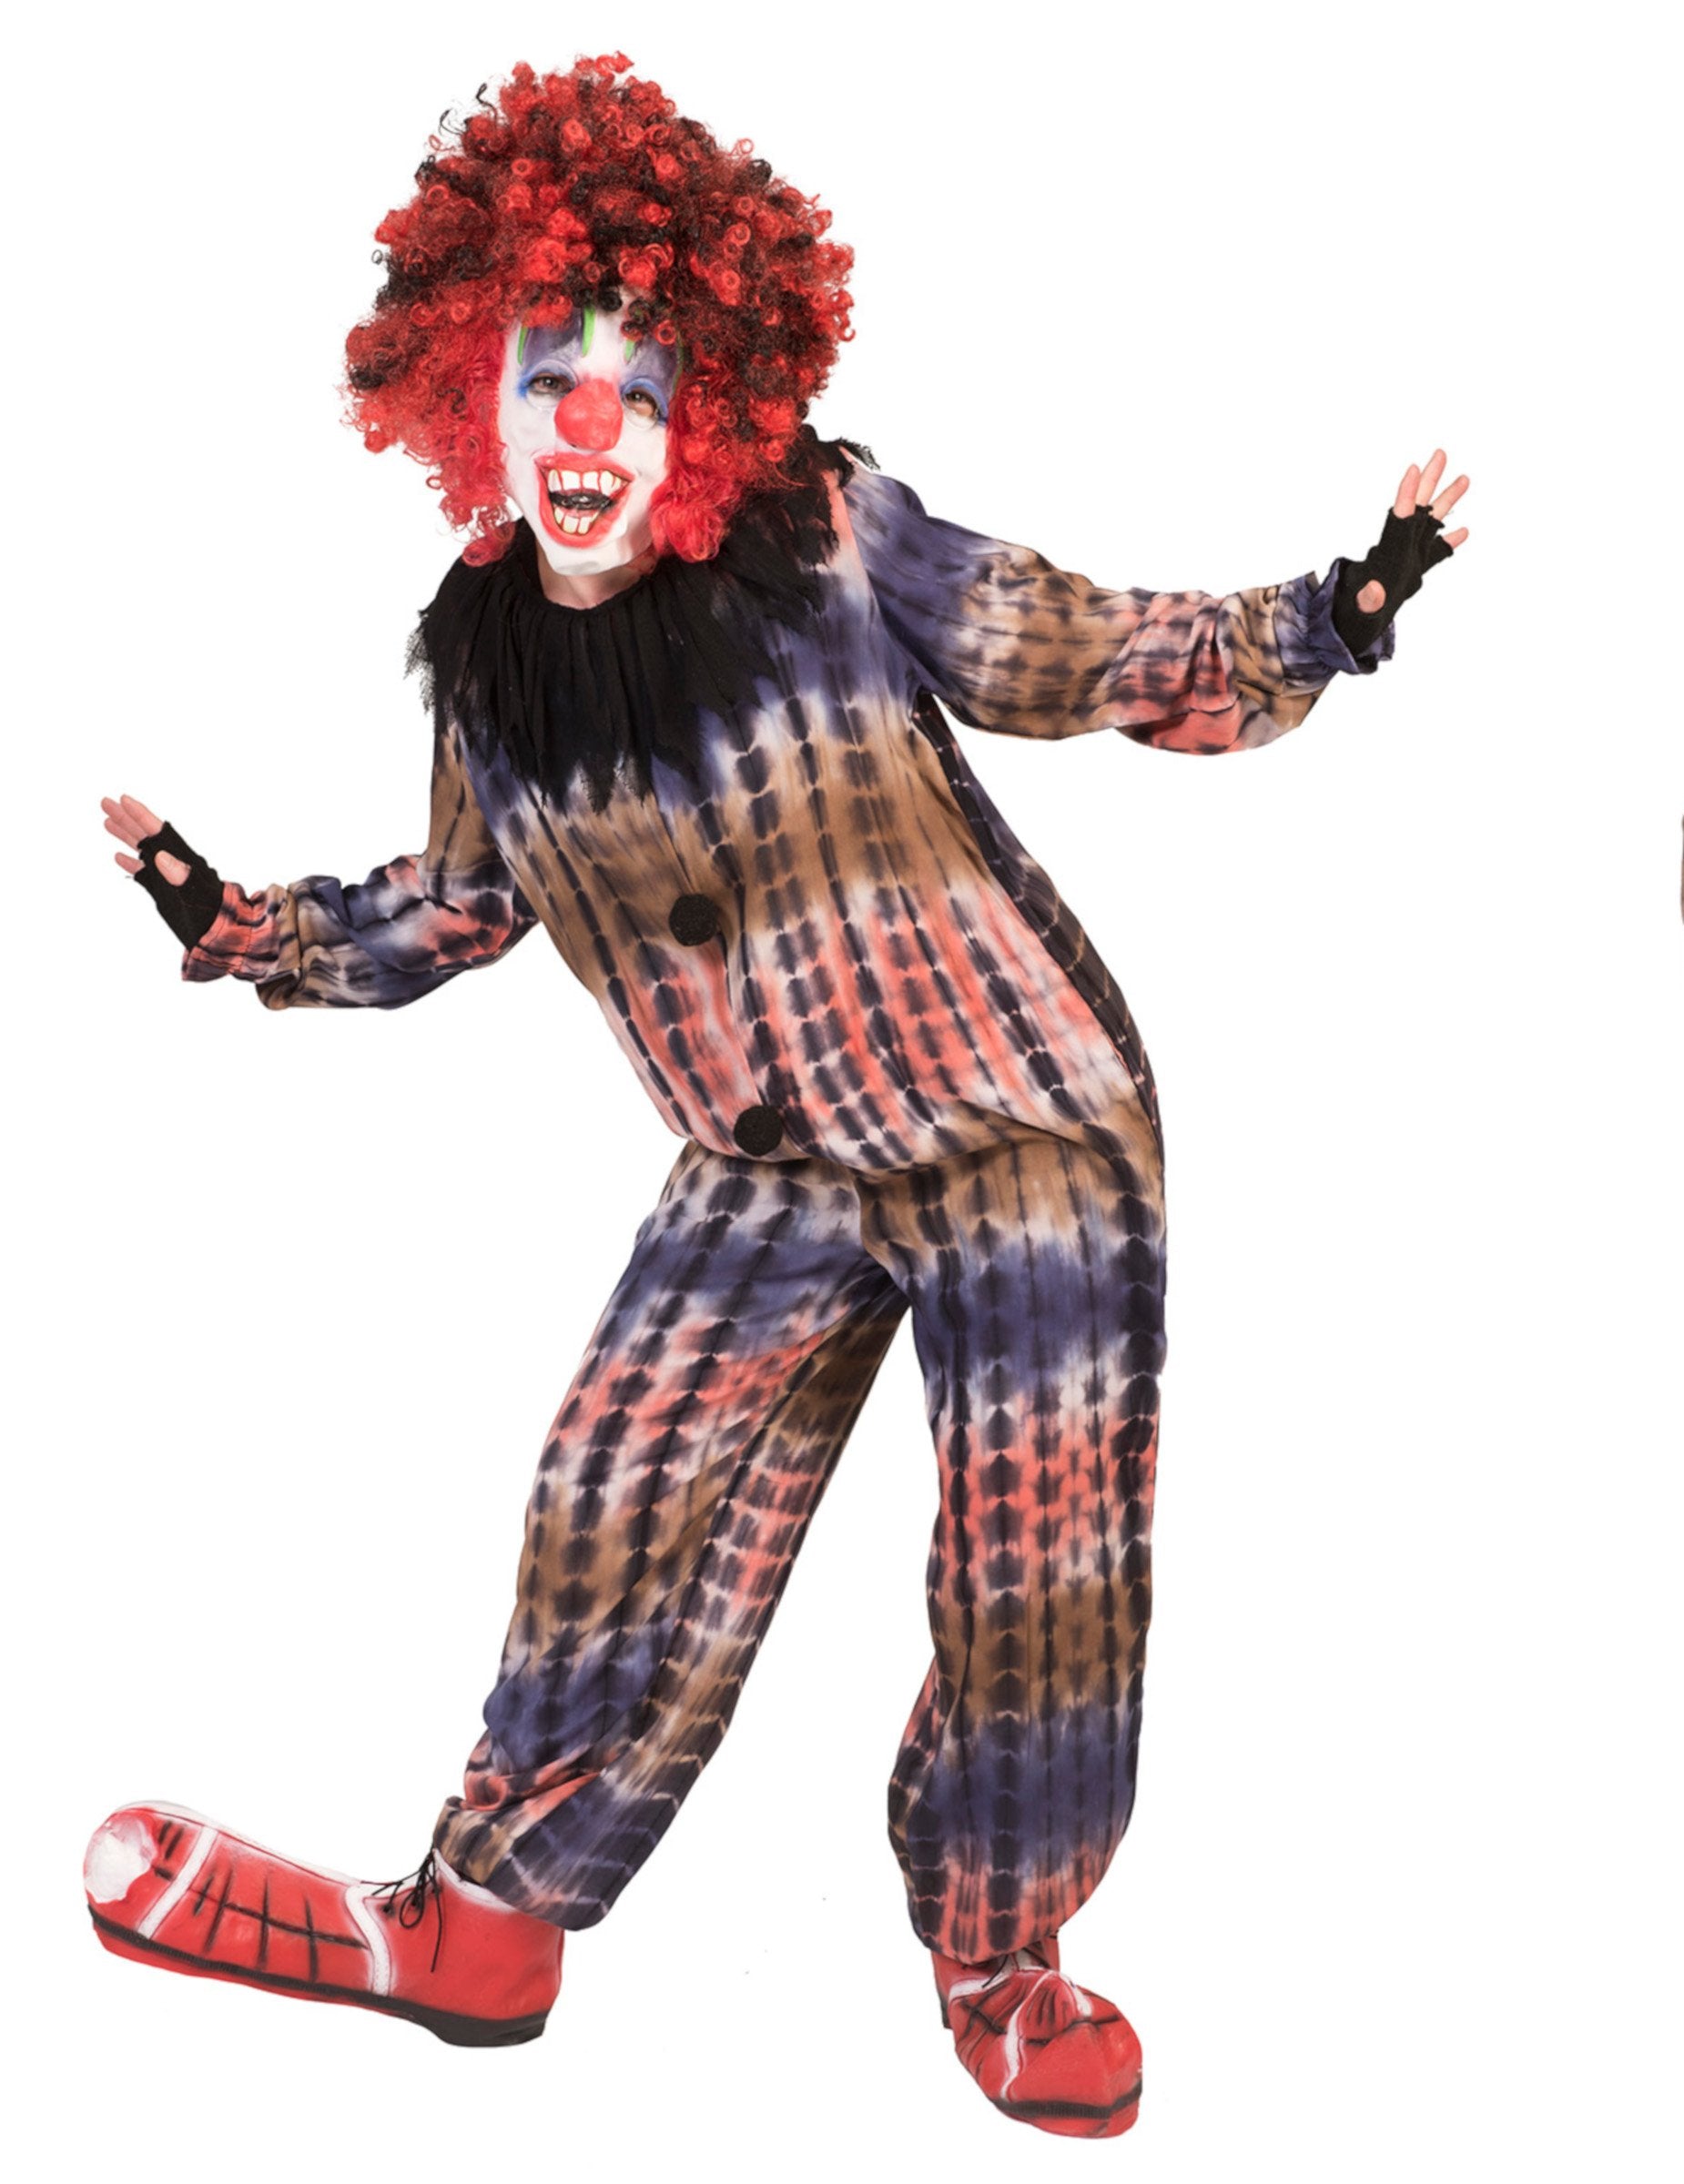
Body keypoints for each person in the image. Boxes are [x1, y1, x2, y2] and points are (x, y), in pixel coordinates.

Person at [85, 53, 1467, 2139]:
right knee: (609, 1479)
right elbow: (454, 904)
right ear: (469, 392)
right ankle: (483, 1920)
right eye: (547, 378)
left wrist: (1328, 614)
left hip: (1013, 1114)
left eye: (636, 391)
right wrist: (240, 920)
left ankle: (999, 1954)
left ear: (704, 415)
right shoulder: (490, 672)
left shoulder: (827, 537)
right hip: (769, 1156)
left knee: (1033, 1559)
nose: (586, 428)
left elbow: (1061, 644)